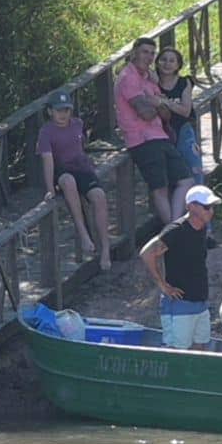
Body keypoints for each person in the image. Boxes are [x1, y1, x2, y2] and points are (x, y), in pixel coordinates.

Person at [115, 36, 194, 226]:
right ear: (134, 52)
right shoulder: (128, 77)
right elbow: (146, 113)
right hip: (141, 140)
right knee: (159, 188)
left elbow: (165, 115)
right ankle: (173, 231)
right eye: (144, 52)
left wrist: (156, 103)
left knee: (186, 180)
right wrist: (157, 105)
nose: (149, 57)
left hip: (160, 136)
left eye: (152, 53)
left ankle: (174, 227)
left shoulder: (149, 79)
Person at [139, 185, 220, 349]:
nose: (210, 211)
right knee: (177, 351)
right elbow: (147, 253)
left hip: (201, 302)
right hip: (180, 304)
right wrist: (163, 286)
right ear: (191, 207)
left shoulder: (202, 228)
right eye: (206, 207)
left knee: (201, 348)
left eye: (212, 207)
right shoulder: (176, 230)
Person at [37, 92, 111, 270]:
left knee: (99, 196)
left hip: (82, 168)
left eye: (66, 110)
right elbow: (47, 161)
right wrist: (50, 189)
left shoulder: (77, 124)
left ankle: (106, 249)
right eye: (58, 111)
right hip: (61, 170)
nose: (63, 115)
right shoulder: (46, 131)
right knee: (68, 182)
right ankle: (83, 233)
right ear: (49, 112)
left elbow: (81, 148)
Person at [156, 45, 203, 186]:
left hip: (183, 127)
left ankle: (200, 201)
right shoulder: (153, 83)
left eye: (172, 61)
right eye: (163, 60)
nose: (167, 64)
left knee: (194, 164)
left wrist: (166, 102)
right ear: (157, 62)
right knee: (170, 171)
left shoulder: (184, 82)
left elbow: (185, 111)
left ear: (178, 65)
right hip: (161, 130)